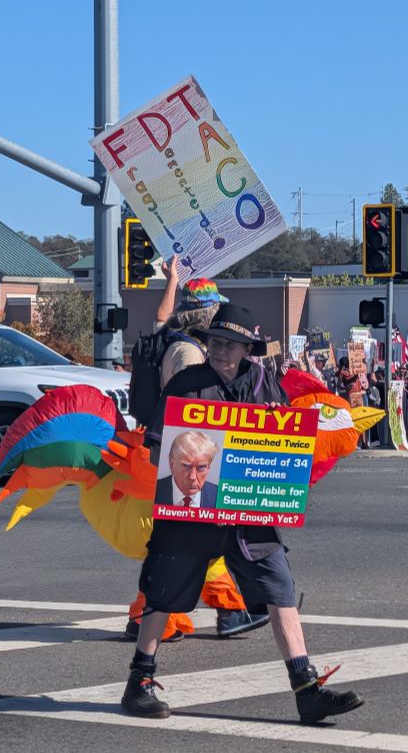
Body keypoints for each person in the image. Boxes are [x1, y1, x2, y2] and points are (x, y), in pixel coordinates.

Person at [120, 302, 364, 725]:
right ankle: (139, 680)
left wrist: (279, 445)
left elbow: (285, 449)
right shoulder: (186, 384)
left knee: (280, 588)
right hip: (190, 510)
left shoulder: (265, 382)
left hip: (248, 512)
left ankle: (306, 689)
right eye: (215, 342)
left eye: (230, 345)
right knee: (163, 592)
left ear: (248, 349)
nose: (220, 351)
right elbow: (158, 450)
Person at [126, 258, 266, 642]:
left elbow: (160, 317)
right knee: (185, 540)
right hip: (184, 454)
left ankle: (222, 611)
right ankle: (153, 617)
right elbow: (191, 408)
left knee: (192, 538)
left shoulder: (170, 337)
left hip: (175, 452)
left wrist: (172, 280)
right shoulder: (189, 356)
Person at [155, 431, 218, 508]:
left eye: (201, 467)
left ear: (208, 467)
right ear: (172, 465)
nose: (192, 477)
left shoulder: (220, 498)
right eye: (186, 466)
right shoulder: (152, 492)